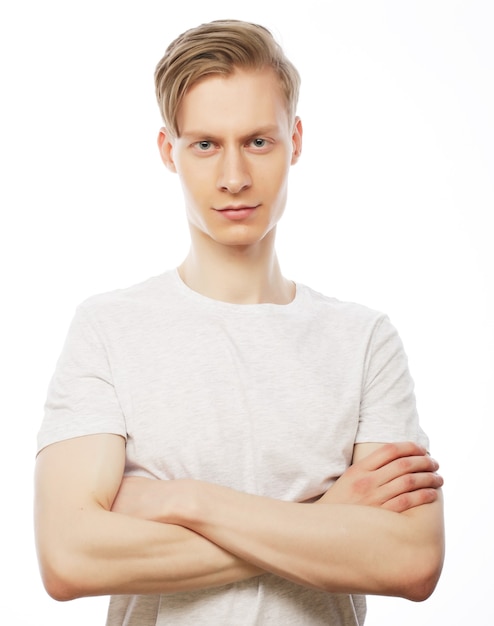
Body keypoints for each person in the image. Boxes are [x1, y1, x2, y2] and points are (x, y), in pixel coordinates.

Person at [34, 19, 444, 626]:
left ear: (296, 140)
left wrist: (182, 500)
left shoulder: (363, 341)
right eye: (205, 144)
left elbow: (411, 560)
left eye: (258, 141)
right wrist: (324, 519)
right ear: (167, 151)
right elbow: (69, 558)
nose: (234, 177)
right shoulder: (108, 329)